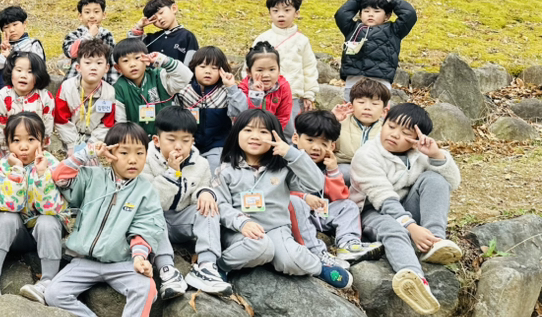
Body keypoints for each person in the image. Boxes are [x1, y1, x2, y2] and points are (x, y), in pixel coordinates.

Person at [45, 123, 165, 317]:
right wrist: (87, 153)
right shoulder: (93, 177)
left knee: (146, 287)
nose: (133, 160)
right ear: (110, 153)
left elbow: (145, 227)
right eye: (124, 152)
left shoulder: (146, 191)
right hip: (84, 261)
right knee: (53, 293)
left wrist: (139, 257)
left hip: (122, 262)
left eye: (140, 153)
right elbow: (59, 177)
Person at [212, 108, 354, 289]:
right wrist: (241, 223)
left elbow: (316, 184)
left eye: (263, 132)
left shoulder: (283, 168)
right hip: (240, 230)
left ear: (276, 136)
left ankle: (320, 268)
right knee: (261, 247)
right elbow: (221, 205)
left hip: (276, 228)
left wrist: (291, 153)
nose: (255, 136)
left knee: (291, 259)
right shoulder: (227, 170)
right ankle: (220, 266)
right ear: (236, 134)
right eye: (248, 130)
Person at [350, 103, 462, 315]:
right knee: (394, 229)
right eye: (391, 126)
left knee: (435, 179)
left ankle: (435, 242)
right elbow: (384, 199)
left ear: (416, 139)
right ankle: (414, 277)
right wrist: (411, 227)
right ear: (383, 123)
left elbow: (452, 183)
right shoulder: (367, 155)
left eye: (406, 133)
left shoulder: (418, 154)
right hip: (371, 212)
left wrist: (436, 155)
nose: (394, 135)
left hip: (404, 206)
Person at [141, 106, 233, 298]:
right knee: (149, 214)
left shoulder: (201, 163)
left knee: (209, 207)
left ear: (193, 141)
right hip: (157, 222)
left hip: (182, 220)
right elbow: (149, 201)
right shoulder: (145, 160)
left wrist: (205, 192)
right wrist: (171, 173)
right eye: (171, 139)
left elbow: (204, 186)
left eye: (185, 140)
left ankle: (207, 267)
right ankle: (167, 270)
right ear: (157, 140)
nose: (178, 146)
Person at [0, 113, 68, 304]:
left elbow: (51, 208)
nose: (24, 146)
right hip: (17, 234)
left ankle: (48, 281)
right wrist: (18, 170)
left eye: (31, 139)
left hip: (46, 233)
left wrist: (42, 173)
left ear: (43, 141)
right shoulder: (3, 167)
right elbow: (9, 205)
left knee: (47, 221)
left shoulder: (53, 165)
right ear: (7, 144)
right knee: (5, 217)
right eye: (16, 140)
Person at [289, 110, 382, 266]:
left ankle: (348, 244)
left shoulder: (325, 165)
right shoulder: (287, 161)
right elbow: (277, 192)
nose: (316, 147)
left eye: (323, 144)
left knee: (348, 206)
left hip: (319, 214)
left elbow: (339, 198)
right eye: (310, 140)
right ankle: (315, 251)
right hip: (295, 215)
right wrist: (304, 197)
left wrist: (333, 170)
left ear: (332, 146)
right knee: (294, 202)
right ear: (296, 138)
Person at [253, 0, 318, 134]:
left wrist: (308, 94)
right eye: (275, 11)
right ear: (269, 13)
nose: (281, 15)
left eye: (287, 10)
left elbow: (309, 68)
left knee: (290, 133)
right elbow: (250, 67)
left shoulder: (302, 41)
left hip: (293, 96)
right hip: (266, 95)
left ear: (297, 13)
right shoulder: (263, 39)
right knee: (264, 129)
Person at [175, 46, 247, 175]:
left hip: (218, 144)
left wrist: (231, 87)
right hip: (189, 143)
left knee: (215, 171)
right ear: (193, 68)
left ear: (222, 71)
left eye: (214, 68)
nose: (208, 71)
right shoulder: (183, 91)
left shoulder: (225, 91)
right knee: (187, 171)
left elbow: (241, 111)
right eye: (202, 67)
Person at [334, 0, 417, 100]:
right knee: (350, 108)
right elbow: (341, 15)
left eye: (377, 11)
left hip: (380, 82)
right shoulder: (352, 29)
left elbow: (409, 15)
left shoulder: (394, 31)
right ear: (360, 14)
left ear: (387, 16)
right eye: (366, 11)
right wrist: (357, 0)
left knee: (378, 109)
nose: (370, 14)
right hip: (353, 81)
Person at [112, 38, 192, 137]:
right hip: (135, 141)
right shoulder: (119, 88)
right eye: (125, 60)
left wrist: (164, 61)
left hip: (164, 138)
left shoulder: (159, 77)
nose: (132, 64)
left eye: (137, 58)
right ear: (118, 68)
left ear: (146, 60)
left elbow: (186, 77)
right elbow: (120, 123)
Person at [54, 39, 117, 155]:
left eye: (99, 63)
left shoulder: (109, 93)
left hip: (95, 140)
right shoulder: (67, 88)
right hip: (69, 138)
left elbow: (107, 123)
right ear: (78, 67)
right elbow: (61, 119)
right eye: (88, 63)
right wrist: (72, 144)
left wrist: (92, 144)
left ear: (106, 68)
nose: (93, 67)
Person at [0, 51, 54, 151]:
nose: (23, 75)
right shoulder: (2, 96)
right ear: (11, 71)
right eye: (19, 70)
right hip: (10, 149)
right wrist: (7, 146)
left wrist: (42, 145)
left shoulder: (45, 97)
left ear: (39, 75)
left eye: (30, 72)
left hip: (36, 149)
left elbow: (47, 125)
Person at [331, 77, 391, 183]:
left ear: (384, 111)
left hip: (374, 170)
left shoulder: (387, 130)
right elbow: (319, 138)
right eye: (361, 102)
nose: (367, 107)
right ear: (351, 106)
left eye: (374, 104)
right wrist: (331, 120)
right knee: (344, 172)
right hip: (345, 166)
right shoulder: (341, 123)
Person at [62, 0, 117, 83]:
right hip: (76, 81)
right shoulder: (74, 35)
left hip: (101, 82)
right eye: (87, 12)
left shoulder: (107, 35)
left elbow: (112, 61)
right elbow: (71, 53)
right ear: (80, 16)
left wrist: (113, 84)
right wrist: (89, 35)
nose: (92, 16)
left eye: (96, 12)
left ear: (103, 15)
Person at [239, 42, 293, 133]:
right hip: (247, 132)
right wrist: (255, 94)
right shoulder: (243, 89)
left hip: (271, 132)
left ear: (279, 69)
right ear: (249, 72)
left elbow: (283, 116)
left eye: (272, 69)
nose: (266, 75)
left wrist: (273, 134)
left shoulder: (283, 87)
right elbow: (244, 116)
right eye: (260, 70)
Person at [128, 0, 198, 64]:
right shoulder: (151, 39)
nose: (159, 18)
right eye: (154, 18)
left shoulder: (187, 37)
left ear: (174, 8)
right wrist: (138, 27)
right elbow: (132, 49)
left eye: (161, 13)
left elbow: (191, 65)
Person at [0, 5, 45, 90]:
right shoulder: (5, 46)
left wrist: (10, 57)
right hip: (6, 90)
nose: (12, 30)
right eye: (6, 27)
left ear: (24, 24)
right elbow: (0, 65)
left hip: (27, 88)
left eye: (15, 24)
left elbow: (37, 67)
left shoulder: (33, 44)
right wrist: (4, 53)